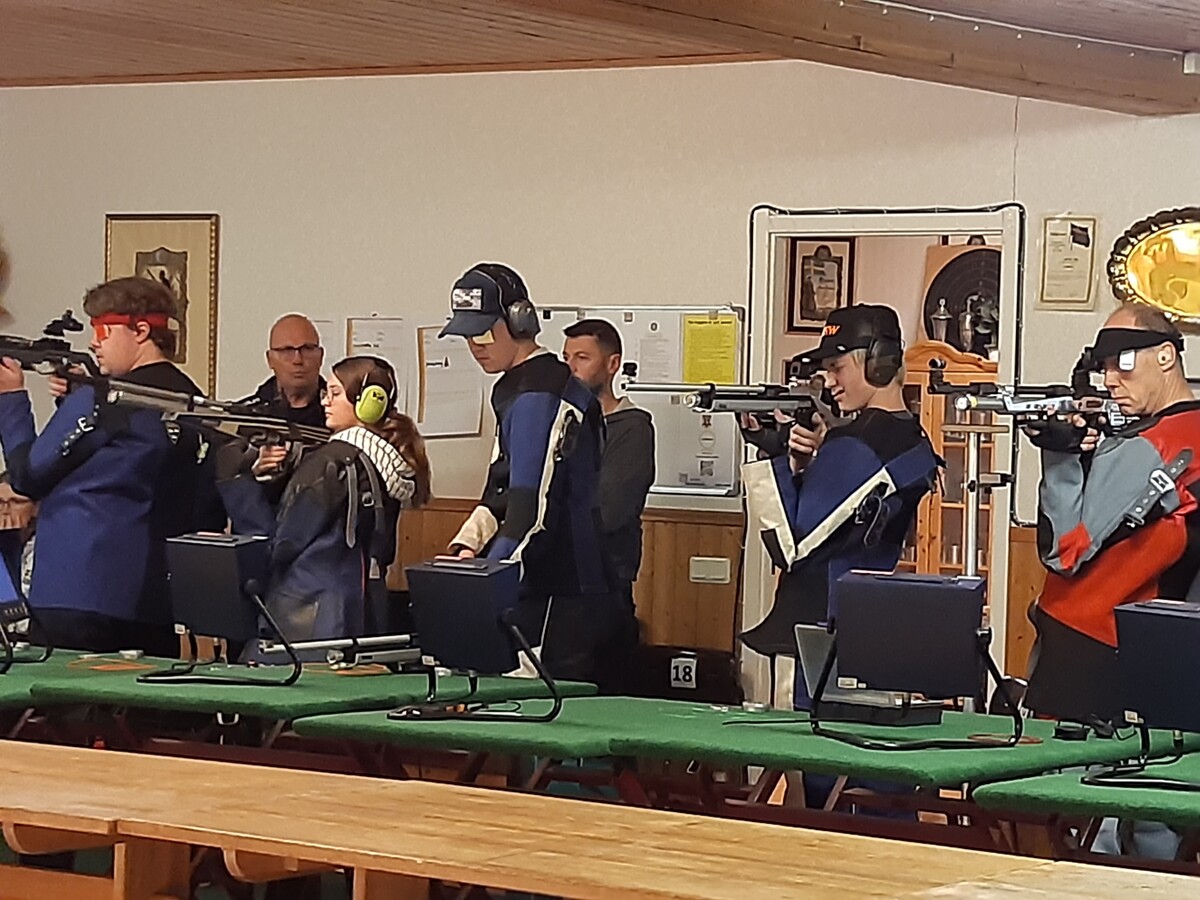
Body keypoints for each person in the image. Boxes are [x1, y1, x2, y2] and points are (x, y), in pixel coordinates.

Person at [0, 276, 221, 656]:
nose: (93, 342)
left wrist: (11, 399)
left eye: (103, 330)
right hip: (153, 600)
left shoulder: (104, 400)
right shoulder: (190, 399)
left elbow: (27, 476)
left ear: (141, 331)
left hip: (77, 590)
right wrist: (73, 402)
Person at [740, 306, 940, 705]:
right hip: (862, 624)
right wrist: (809, 461)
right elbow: (843, 521)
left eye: (838, 367)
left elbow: (791, 544)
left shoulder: (859, 441)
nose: (829, 381)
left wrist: (774, 457)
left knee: (803, 741)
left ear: (879, 362)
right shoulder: (908, 435)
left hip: (817, 630)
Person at [440, 263, 628, 687]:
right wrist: (467, 545)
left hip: (560, 590)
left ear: (519, 321)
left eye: (484, 333)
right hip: (546, 580)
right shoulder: (516, 386)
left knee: (534, 706)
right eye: (467, 336)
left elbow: (530, 511)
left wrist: (483, 585)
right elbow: (501, 488)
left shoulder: (538, 392)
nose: (475, 346)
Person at [1025, 304, 1200, 725]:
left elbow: (1065, 551)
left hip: (1088, 644)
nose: (1109, 379)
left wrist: (1061, 454)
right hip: (1155, 644)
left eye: (1123, 362)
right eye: (1103, 367)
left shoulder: (1151, 444)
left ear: (1165, 356)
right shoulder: (1183, 432)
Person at [218, 356, 431, 652]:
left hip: (308, 617)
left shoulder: (329, 463)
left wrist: (237, 482)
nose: (325, 402)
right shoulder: (381, 464)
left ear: (368, 403)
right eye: (325, 393)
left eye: (335, 393)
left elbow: (278, 545)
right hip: (363, 610)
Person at [562, 318, 655, 626]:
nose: (571, 367)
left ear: (612, 364)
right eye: (566, 358)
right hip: (563, 578)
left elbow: (611, 509)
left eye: (582, 358)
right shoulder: (564, 423)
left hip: (605, 578)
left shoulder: (632, 427)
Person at [240, 314, 327, 427]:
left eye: (306, 349)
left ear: (321, 356)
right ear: (270, 359)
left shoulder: (343, 415)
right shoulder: (245, 417)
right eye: (287, 350)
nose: (297, 360)